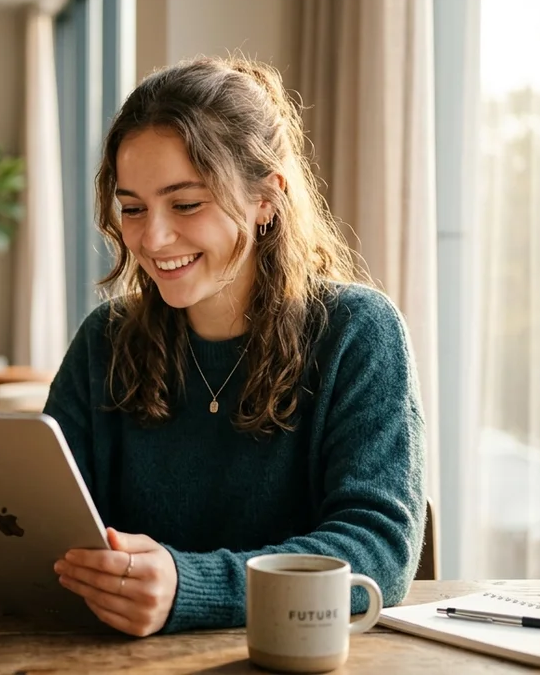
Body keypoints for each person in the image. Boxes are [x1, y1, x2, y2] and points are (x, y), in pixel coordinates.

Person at [43, 55, 427, 638]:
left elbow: (376, 551)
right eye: (133, 208)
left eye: (186, 203)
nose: (153, 237)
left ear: (266, 198)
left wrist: (191, 587)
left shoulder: (357, 332)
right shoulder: (105, 340)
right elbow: (46, 518)